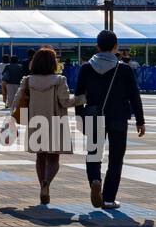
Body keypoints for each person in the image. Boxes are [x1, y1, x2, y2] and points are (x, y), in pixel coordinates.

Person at [75, 30, 146, 210]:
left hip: (93, 116)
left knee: (94, 154)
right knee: (116, 158)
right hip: (118, 117)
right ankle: (108, 199)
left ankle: (95, 181)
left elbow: (78, 95)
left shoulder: (86, 68)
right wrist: (140, 120)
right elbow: (134, 95)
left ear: (97, 46)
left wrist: (79, 116)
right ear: (116, 47)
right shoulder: (124, 69)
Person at [13, 46, 83, 205]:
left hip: (35, 122)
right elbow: (65, 102)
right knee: (53, 159)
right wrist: (82, 99)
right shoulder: (59, 80)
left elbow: (15, 101)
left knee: (40, 157)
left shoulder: (28, 80)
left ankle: (42, 185)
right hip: (55, 121)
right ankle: (47, 183)